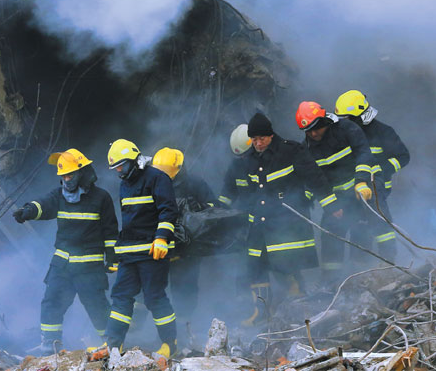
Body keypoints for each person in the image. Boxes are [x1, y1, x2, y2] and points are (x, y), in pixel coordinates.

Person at [12, 149, 118, 355]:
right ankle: (50, 346)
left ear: (82, 173)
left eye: (70, 175)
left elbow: (110, 231)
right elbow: (43, 205)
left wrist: (112, 258)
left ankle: (111, 346)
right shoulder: (59, 195)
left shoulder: (101, 198)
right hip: (62, 266)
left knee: (97, 307)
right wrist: (27, 211)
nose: (66, 180)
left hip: (89, 267)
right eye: (63, 176)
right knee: (52, 302)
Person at [240, 113, 340, 325]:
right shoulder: (249, 159)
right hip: (259, 224)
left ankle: (298, 306)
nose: (258, 144)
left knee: (285, 264)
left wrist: (330, 204)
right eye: (254, 139)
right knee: (256, 266)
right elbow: (248, 191)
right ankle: (261, 311)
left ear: (271, 135)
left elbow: (315, 177)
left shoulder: (291, 150)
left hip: (285, 221)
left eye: (262, 139)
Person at [93, 139, 178, 359]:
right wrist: (116, 255)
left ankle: (170, 343)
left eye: (121, 165)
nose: (119, 171)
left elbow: (168, 211)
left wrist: (161, 238)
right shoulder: (125, 184)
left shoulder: (158, 178)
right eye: (115, 168)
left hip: (152, 251)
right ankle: (114, 345)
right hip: (130, 253)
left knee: (154, 297)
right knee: (120, 296)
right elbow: (129, 224)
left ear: (134, 160)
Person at [296, 101, 396, 279]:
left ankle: (389, 268)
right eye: (308, 131)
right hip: (339, 197)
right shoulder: (307, 149)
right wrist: (331, 206)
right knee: (330, 235)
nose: (313, 133)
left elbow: (363, 153)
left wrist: (361, 182)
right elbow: (314, 179)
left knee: (379, 225)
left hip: (366, 186)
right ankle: (331, 281)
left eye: (316, 128)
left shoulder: (346, 129)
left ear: (323, 120)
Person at [151, 147, 216, 326]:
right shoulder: (151, 183)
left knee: (185, 287)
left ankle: (184, 324)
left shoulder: (194, 184)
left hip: (187, 248)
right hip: (160, 244)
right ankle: (146, 327)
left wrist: (196, 209)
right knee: (151, 285)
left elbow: (214, 208)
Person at [334, 90, 410, 194]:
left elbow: (403, 156)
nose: (341, 123)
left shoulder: (383, 132)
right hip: (348, 195)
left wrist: (379, 170)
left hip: (376, 191)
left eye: (345, 118)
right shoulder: (341, 134)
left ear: (358, 117)